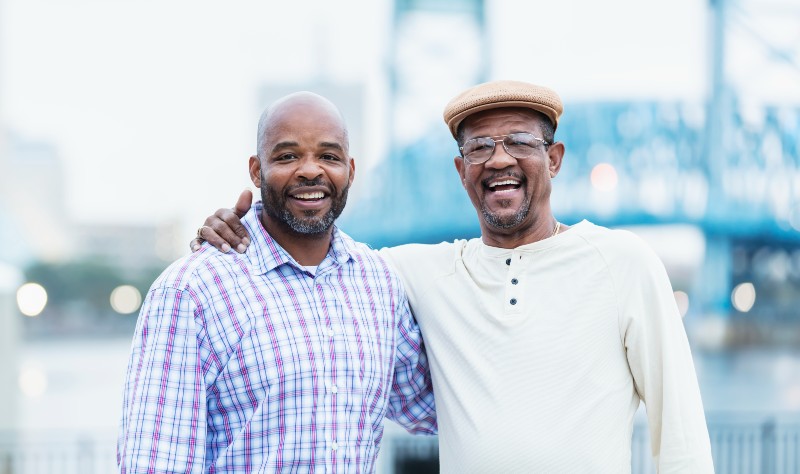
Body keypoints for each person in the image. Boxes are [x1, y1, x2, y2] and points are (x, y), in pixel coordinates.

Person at [193, 80, 715, 472]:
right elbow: (315, 253)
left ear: (553, 159)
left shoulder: (623, 261)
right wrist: (228, 232)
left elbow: (682, 436)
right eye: (479, 148)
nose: (499, 159)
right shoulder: (406, 273)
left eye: (519, 142)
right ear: (460, 169)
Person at [117, 92, 436, 473]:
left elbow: (432, 409)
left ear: (350, 170)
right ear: (256, 170)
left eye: (329, 156)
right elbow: (155, 463)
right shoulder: (192, 291)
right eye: (287, 156)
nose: (310, 171)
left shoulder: (380, 284)